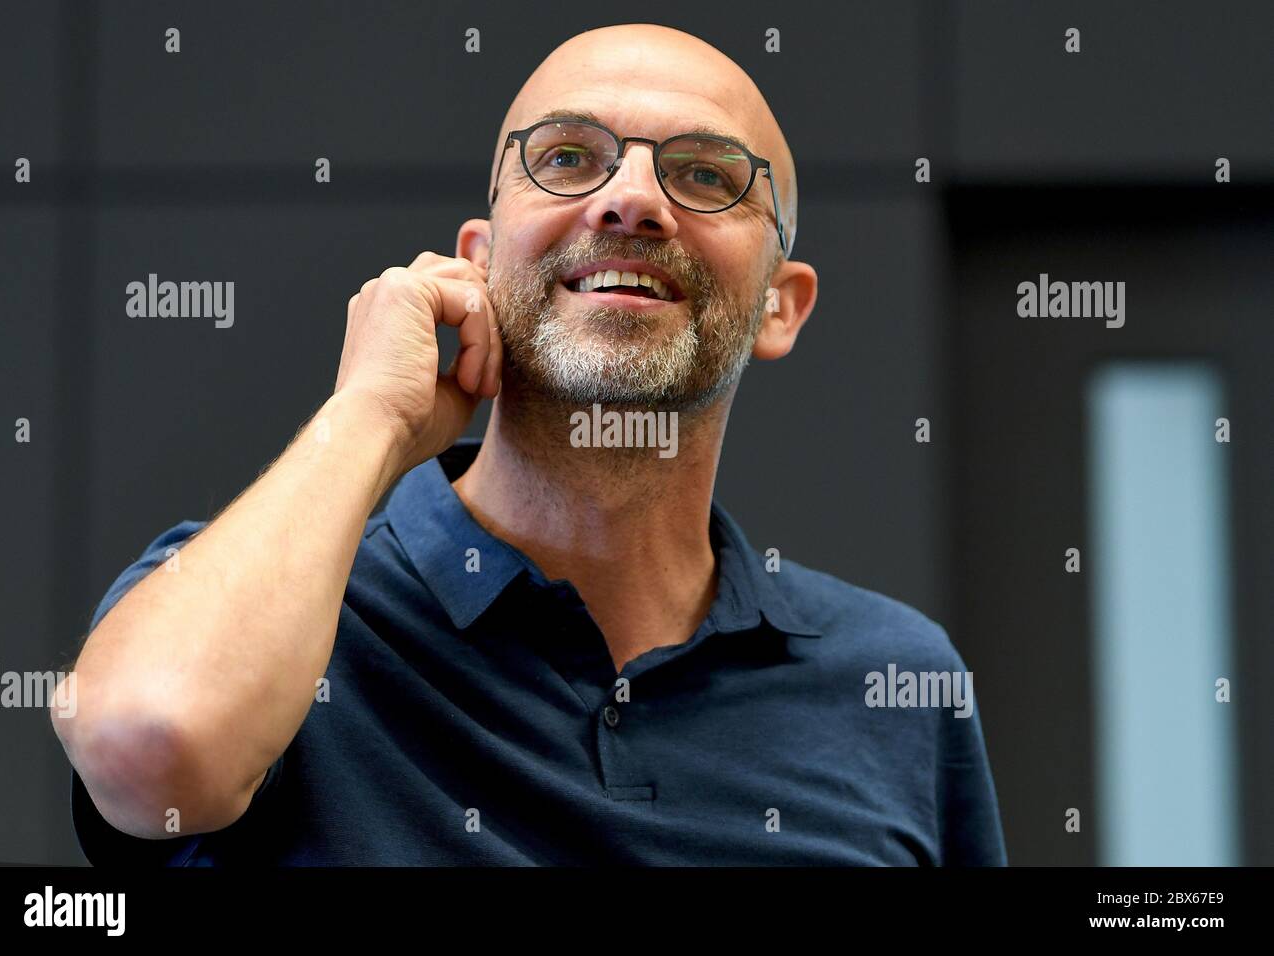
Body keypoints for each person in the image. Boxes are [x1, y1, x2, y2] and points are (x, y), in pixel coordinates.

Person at [52, 23, 1006, 865]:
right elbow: (150, 752)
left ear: (779, 305)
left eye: (707, 175)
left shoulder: (892, 678)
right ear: (476, 260)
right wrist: (369, 417)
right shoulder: (260, 614)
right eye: (568, 159)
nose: (631, 201)